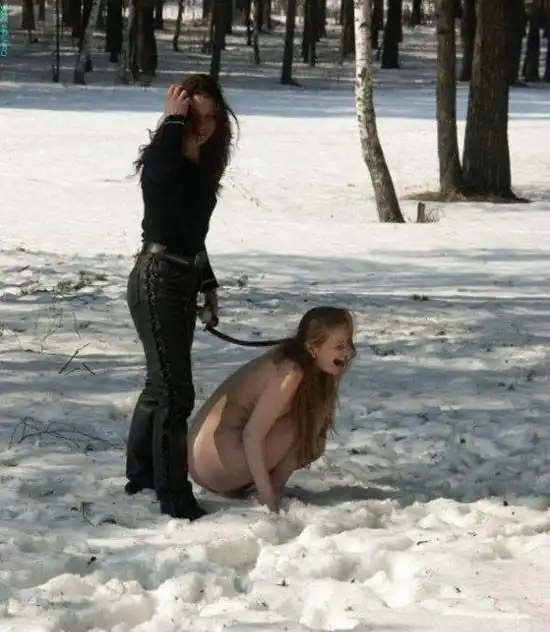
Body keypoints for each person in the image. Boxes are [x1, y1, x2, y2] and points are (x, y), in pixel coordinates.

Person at [125, 74, 238, 521]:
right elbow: (156, 174)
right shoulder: (164, 158)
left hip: (183, 276)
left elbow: (194, 235)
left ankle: (142, 475)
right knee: (176, 391)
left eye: (212, 117)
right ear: (178, 116)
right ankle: (173, 496)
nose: (203, 126)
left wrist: (208, 284)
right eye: (194, 116)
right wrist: (173, 122)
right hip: (156, 277)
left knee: (161, 385)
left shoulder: (202, 169)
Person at [187, 307, 356, 513]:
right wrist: (268, 498)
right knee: (303, 424)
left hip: (208, 464)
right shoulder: (291, 371)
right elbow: (252, 434)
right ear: (313, 348)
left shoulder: (305, 364)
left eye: (349, 343)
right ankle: (271, 490)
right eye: (339, 347)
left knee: (313, 428)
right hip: (213, 463)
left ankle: (254, 485)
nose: (348, 352)